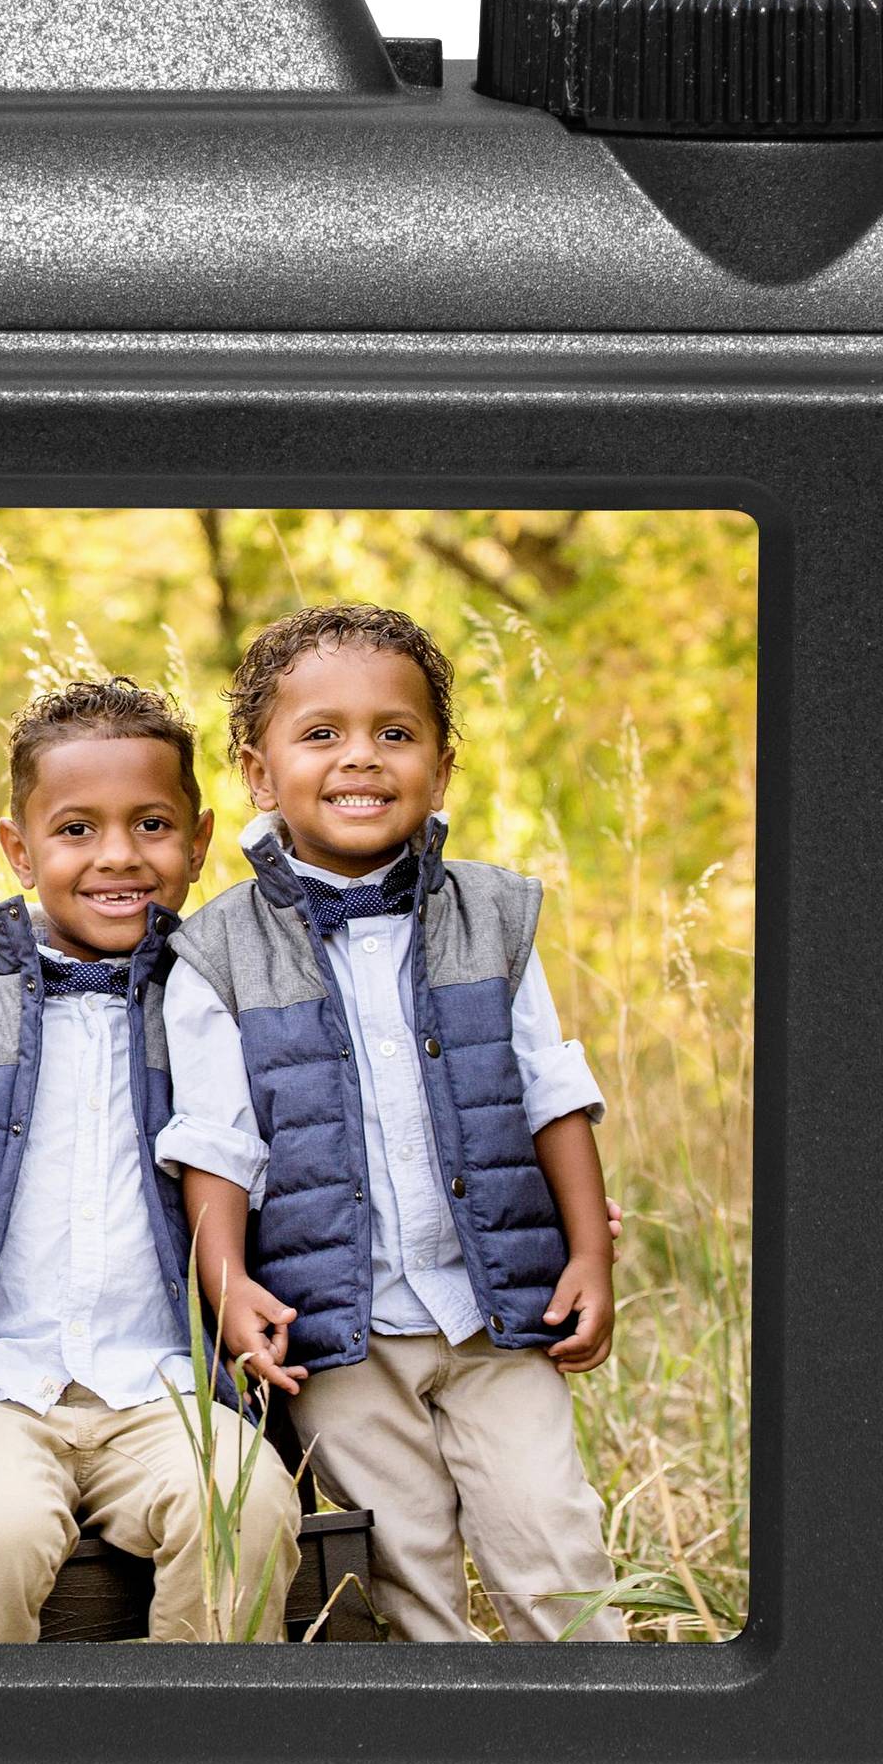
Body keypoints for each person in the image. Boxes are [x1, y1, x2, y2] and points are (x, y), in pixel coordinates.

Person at [159, 605, 627, 1641]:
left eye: (395, 733)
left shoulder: (492, 917)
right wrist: (227, 1286)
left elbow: (550, 1092)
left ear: (441, 768)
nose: (360, 757)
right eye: (321, 734)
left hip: (497, 1312)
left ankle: (596, 1723)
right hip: (343, 1330)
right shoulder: (217, 954)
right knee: (403, 1570)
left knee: (553, 1543)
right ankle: (446, 1733)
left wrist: (589, 1253)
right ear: (259, 773)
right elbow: (216, 1142)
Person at [0, 678, 303, 1641]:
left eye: (151, 825)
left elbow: (341, 1127)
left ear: (199, 840)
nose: (118, 855)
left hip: (163, 1388)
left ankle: (206, 1727)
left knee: (244, 1506)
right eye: (76, 830)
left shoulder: (225, 1006)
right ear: (19, 850)